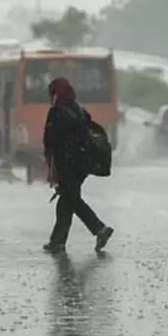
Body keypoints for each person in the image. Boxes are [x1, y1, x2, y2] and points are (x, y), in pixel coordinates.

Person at [42, 77, 114, 254]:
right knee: (66, 199)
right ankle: (57, 241)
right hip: (84, 164)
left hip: (68, 163)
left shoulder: (57, 112)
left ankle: (99, 228)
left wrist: (50, 161)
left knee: (72, 199)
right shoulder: (79, 110)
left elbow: (50, 140)